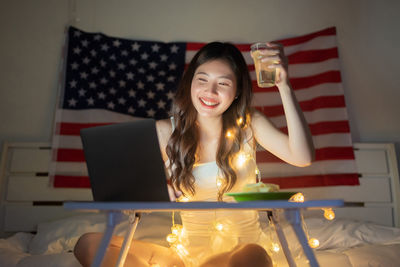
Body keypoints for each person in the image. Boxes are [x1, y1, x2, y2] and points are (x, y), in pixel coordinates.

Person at [74, 41, 314, 267]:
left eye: (223, 83)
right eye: (202, 80)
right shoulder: (165, 132)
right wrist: (153, 192)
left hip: (242, 253)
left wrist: (284, 85)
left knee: (252, 257)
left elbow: (302, 157)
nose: (210, 91)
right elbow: (118, 189)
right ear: (190, 83)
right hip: (184, 257)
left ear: (238, 90)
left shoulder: (249, 125)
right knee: (88, 244)